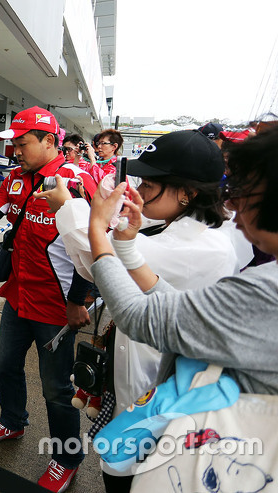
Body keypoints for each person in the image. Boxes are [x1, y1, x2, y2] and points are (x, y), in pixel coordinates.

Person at [34, 130, 241, 492]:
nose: (140, 191)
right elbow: (110, 248)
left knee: (135, 476)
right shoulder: (173, 223)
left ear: (188, 193)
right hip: (139, 376)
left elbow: (104, 261)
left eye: (149, 183)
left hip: (157, 387)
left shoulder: (205, 248)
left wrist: (71, 208)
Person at [87, 127, 278, 491]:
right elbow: (177, 305)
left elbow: (139, 316)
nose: (232, 203)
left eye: (244, 191)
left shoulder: (264, 290)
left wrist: (98, 229)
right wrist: (124, 243)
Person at [0, 106, 98, 492]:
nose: (15, 151)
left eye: (23, 143)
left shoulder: (75, 180)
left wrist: (77, 301)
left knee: (57, 389)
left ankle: (67, 458)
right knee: (5, 365)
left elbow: (89, 249)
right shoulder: (18, 178)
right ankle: (12, 420)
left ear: (50, 141)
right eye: (14, 144)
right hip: (18, 296)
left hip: (56, 307)